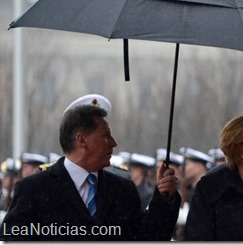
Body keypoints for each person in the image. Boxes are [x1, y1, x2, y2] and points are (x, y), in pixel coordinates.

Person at [0, 95, 180, 240]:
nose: (113, 143)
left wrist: (165, 197)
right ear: (82, 139)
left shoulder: (122, 190)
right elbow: (12, 236)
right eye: (105, 136)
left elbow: (148, 237)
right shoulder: (34, 189)